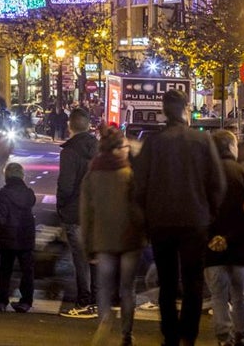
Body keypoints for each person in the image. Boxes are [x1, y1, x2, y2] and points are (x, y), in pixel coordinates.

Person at [133, 89, 226, 346]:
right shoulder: (202, 141)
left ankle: (170, 335)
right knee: (193, 280)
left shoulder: (154, 143)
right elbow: (217, 183)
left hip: (161, 221)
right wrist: (210, 213)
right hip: (195, 219)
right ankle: (188, 335)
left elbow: (139, 185)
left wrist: (146, 217)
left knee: (167, 282)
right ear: (186, 109)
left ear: (164, 111)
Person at [81, 126, 145, 346]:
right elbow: (139, 208)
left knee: (104, 287)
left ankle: (104, 320)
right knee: (128, 289)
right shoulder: (129, 174)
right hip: (129, 239)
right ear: (118, 148)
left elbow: (86, 213)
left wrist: (87, 245)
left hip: (103, 238)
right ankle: (126, 333)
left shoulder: (92, 174)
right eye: (125, 146)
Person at [204, 129, 244, 346]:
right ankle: (242, 334)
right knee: (240, 293)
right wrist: (233, 237)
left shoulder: (204, 175)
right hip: (240, 245)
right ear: (230, 147)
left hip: (212, 245)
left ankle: (223, 337)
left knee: (218, 295)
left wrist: (213, 237)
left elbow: (200, 211)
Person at [56, 106, 98, 318]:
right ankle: (96, 300)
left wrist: (61, 207)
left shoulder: (70, 152)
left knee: (80, 259)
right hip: (97, 211)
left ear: (69, 126)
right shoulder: (99, 149)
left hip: (75, 211)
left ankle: (84, 300)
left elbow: (65, 186)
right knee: (94, 258)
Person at [0, 161, 36, 313]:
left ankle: (1, 301)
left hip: (8, 236)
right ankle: (26, 301)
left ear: (7, 176)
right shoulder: (29, 193)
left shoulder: (4, 193)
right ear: (22, 176)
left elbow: (2, 214)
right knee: (27, 270)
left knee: (5, 270)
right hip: (25, 236)